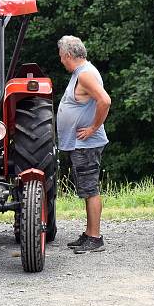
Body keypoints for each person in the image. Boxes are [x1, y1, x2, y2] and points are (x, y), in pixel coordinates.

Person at [57, 36, 111, 254]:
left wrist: (93, 128)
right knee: (86, 188)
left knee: (90, 189)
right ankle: (89, 233)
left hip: (86, 144)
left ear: (69, 55)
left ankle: (95, 238)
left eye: (61, 57)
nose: (61, 61)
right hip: (80, 144)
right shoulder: (82, 73)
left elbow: (105, 101)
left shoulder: (86, 74)